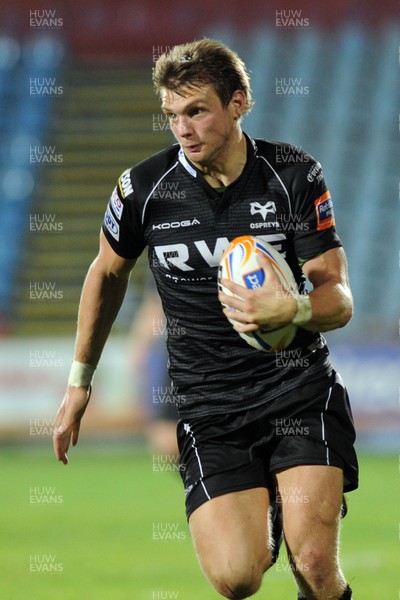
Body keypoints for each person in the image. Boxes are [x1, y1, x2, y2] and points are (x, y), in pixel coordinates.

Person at [53, 39, 358, 600]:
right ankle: (265, 513)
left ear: (239, 102)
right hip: (209, 408)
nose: (183, 129)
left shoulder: (291, 174)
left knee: (314, 563)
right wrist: (79, 382)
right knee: (236, 578)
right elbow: (106, 274)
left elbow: (337, 297)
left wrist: (291, 308)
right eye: (172, 115)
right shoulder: (143, 189)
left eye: (197, 111)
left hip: (297, 391)